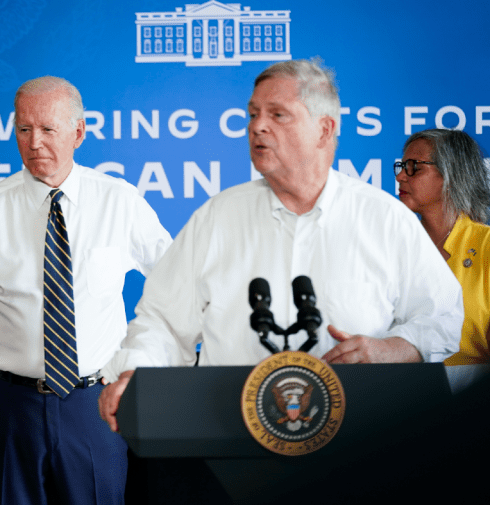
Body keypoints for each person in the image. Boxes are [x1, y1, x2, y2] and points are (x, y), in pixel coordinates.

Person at [98, 59, 463, 432]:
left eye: (278, 114)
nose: (258, 125)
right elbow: (162, 322)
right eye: (253, 113)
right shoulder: (217, 218)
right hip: (229, 437)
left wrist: (393, 348)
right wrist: (134, 373)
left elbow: (444, 319)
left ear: (324, 129)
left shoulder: (384, 219)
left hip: (357, 443)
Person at [0, 76, 172, 504]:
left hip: (95, 407)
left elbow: (179, 289)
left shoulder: (120, 202)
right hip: (11, 408)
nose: (34, 142)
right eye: (24, 130)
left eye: (47, 129)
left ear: (78, 132)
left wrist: (138, 361)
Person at [396, 129, 490, 365]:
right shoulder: (394, 246)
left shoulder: (486, 245)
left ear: (452, 175)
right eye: (402, 166)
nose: (400, 177)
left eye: (414, 167)